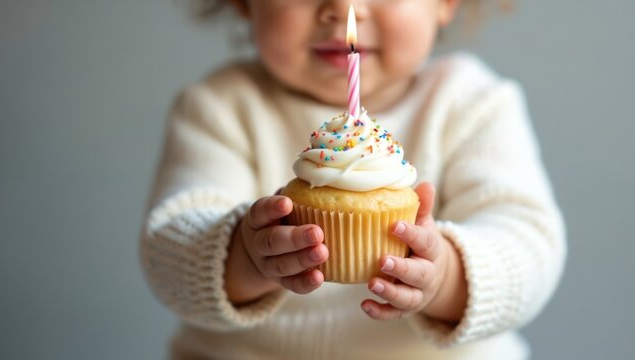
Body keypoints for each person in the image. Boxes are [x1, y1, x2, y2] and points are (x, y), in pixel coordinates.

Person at [140, 0, 566, 359]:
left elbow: (529, 245)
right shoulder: (218, 108)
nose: (344, 9)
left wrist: (448, 275)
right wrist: (246, 256)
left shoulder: (473, 104)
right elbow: (167, 252)